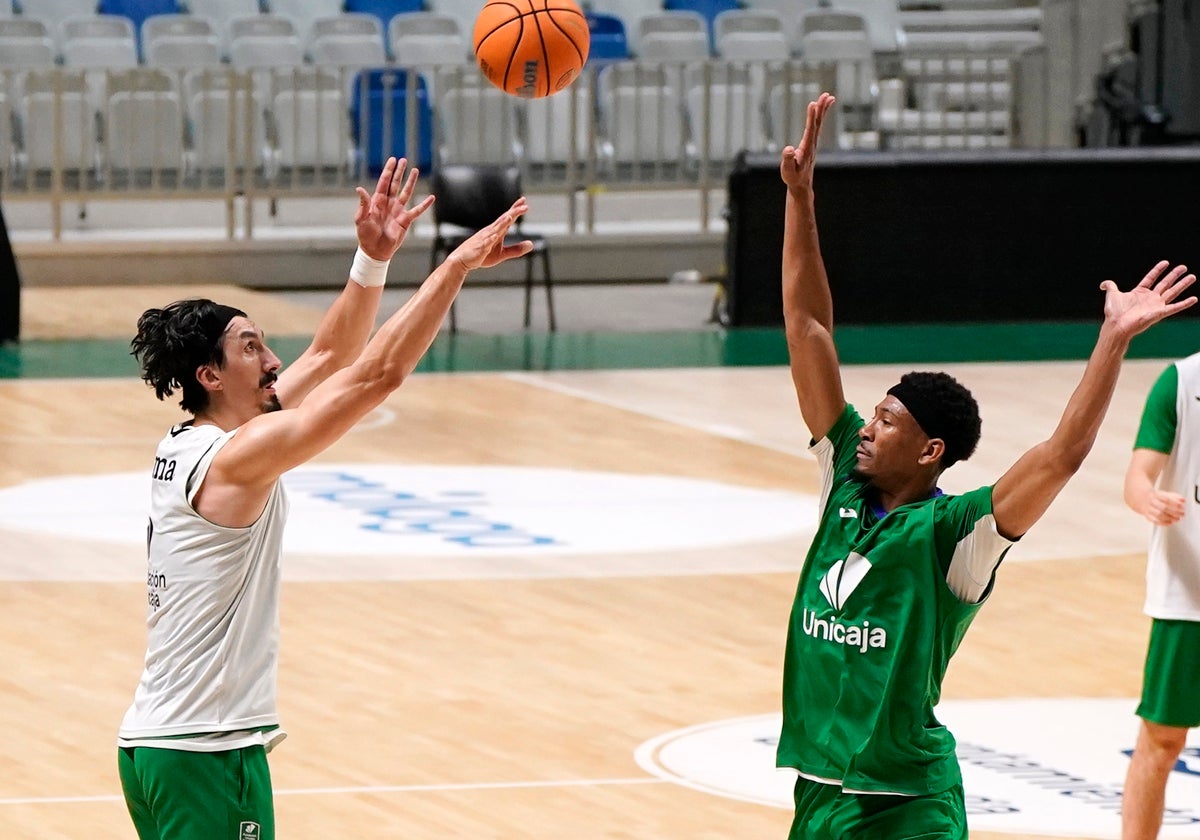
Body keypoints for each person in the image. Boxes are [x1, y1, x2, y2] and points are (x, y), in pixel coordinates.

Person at [775, 91, 1196, 839]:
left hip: (907, 805)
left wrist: (1114, 341)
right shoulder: (841, 472)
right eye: (871, 414)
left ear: (931, 451)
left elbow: (1062, 454)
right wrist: (800, 199)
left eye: (887, 421)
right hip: (817, 790)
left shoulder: (958, 535)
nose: (865, 427)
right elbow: (808, 326)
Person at [117, 156, 532, 840]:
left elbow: (332, 356)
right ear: (210, 375)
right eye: (252, 348)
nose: (274, 361)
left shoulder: (198, 440)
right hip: (204, 750)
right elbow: (377, 375)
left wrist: (372, 260)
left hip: (163, 744)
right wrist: (451, 269)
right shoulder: (236, 458)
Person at [1121, 352, 1200, 840]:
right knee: (1163, 739)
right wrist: (1147, 499)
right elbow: (1137, 475)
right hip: (1189, 595)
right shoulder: (1182, 380)